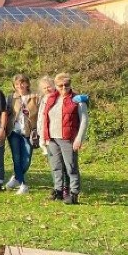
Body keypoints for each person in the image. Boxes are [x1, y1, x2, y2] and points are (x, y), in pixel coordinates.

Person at [42, 73, 89, 205]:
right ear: (55, 86)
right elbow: (45, 118)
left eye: (66, 85)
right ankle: (58, 191)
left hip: (68, 139)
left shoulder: (78, 100)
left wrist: (79, 139)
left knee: (71, 167)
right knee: (56, 166)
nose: (64, 88)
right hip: (52, 138)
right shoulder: (51, 98)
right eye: (60, 85)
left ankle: (74, 194)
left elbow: (84, 120)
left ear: (70, 85)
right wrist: (44, 137)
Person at [6, 74, 40, 195]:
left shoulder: (35, 97)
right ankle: (23, 184)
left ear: (27, 84)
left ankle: (16, 177)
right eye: (16, 84)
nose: (19, 86)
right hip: (14, 131)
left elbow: (40, 113)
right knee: (16, 157)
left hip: (29, 132)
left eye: (22, 83)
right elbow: (6, 113)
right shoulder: (11, 97)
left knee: (26, 159)